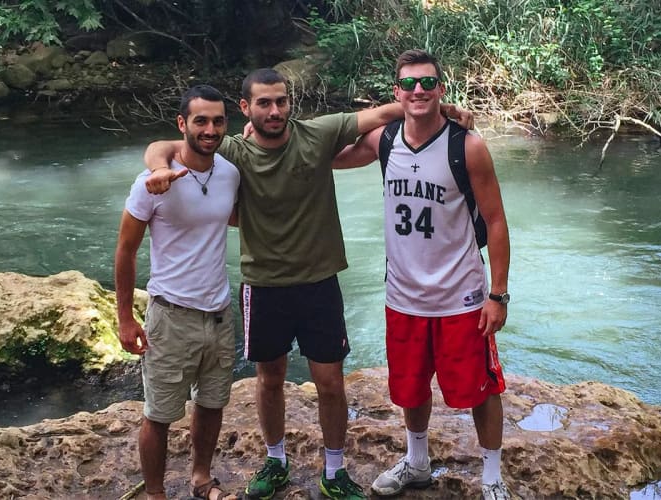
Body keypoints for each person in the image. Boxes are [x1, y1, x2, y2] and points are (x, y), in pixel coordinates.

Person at [142, 68, 473, 500]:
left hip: (319, 281)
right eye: (264, 103)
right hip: (263, 284)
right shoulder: (234, 151)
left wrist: (441, 108)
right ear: (246, 109)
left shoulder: (317, 134)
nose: (274, 110)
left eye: (281, 101)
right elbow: (165, 145)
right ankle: (276, 460)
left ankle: (334, 470)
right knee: (270, 379)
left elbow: (382, 114)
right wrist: (156, 168)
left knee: (331, 381)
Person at [333, 49, 513, 500]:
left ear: (442, 88)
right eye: (409, 84)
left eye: (428, 83)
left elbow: (496, 221)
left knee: (481, 388)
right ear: (396, 92)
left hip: (462, 297)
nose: (419, 91)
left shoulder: (466, 145)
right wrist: (266, 136)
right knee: (411, 388)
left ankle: (492, 477)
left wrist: (499, 295)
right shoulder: (385, 140)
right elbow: (326, 151)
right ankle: (416, 463)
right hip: (404, 295)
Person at [114, 84, 240, 500]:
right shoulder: (151, 182)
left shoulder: (229, 173)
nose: (210, 129)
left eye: (218, 121)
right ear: (182, 124)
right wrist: (126, 318)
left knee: (212, 404)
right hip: (170, 315)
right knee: (160, 413)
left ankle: (202, 478)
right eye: (200, 121)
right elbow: (126, 250)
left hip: (220, 312)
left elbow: (236, 217)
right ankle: (155, 493)